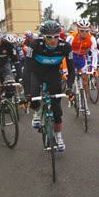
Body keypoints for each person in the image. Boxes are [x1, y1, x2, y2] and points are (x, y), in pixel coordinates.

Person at [23, 21, 75, 151]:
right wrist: (27, 93)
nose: (53, 40)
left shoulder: (65, 47)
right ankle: (37, 111)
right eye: (49, 37)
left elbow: (71, 70)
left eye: (56, 36)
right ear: (43, 37)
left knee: (57, 110)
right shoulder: (35, 45)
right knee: (34, 98)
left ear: (60, 35)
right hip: (36, 73)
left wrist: (69, 87)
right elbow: (26, 70)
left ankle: (58, 136)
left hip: (53, 74)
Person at [66, 18, 98, 115]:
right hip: (71, 57)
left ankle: (84, 98)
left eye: (87, 31)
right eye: (82, 31)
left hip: (81, 59)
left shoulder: (92, 39)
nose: (84, 33)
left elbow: (94, 53)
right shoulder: (71, 37)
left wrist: (94, 67)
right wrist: (64, 68)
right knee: (70, 77)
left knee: (85, 79)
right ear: (78, 29)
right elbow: (64, 52)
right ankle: (70, 94)